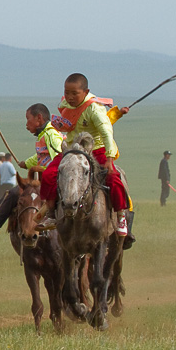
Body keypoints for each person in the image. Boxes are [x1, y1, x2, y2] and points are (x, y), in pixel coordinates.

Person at [38, 73, 131, 238]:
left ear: (86, 91)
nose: (70, 97)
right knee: (48, 174)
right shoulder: (65, 105)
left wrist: (109, 158)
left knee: (114, 178)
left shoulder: (94, 109)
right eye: (67, 92)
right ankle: (51, 213)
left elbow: (106, 132)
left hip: (96, 149)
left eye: (75, 93)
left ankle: (121, 216)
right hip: (72, 150)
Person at [0, 103, 65, 238]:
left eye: (28, 119)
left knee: (14, 193)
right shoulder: (44, 135)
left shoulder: (51, 135)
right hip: (43, 179)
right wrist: (26, 163)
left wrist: (43, 172)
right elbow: (41, 156)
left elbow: (59, 158)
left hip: (49, 181)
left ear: (39, 118)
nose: (26, 124)